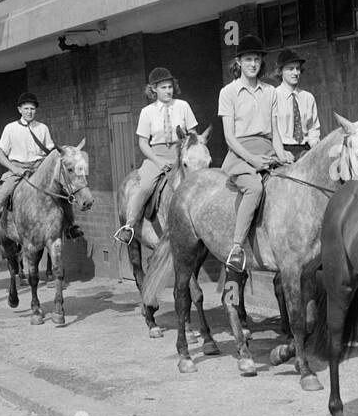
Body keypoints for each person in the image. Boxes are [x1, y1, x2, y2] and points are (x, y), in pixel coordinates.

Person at [0, 92, 82, 241]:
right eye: (26, 108)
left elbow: (51, 152)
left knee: (63, 191)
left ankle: (71, 226)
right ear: (19, 109)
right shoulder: (10, 128)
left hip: (40, 167)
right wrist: (15, 169)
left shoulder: (42, 128)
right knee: (3, 192)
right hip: (18, 168)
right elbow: (0, 155)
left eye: (32, 109)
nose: (29, 112)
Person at [113, 67, 199, 244]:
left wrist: (187, 152)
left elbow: (193, 134)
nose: (168, 91)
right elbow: (143, 143)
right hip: (156, 156)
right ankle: (129, 226)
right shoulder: (147, 111)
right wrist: (158, 161)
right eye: (163, 88)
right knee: (145, 187)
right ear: (153, 89)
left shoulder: (183, 106)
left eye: (170, 87)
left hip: (180, 155)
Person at [217, 35, 279, 272]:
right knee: (255, 187)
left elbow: (276, 132)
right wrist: (253, 160)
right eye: (248, 59)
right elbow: (229, 137)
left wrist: (282, 155)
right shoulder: (228, 92)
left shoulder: (270, 91)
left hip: (267, 149)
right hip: (240, 154)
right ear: (239, 62)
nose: (253, 64)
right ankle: (236, 248)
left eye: (257, 59)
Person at [270, 48, 320, 163]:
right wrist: (280, 151)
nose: (296, 72)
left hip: (305, 150)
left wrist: (314, 149)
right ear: (280, 71)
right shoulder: (273, 96)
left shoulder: (308, 97)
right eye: (290, 69)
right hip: (282, 150)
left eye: (298, 68)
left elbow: (313, 129)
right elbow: (269, 131)